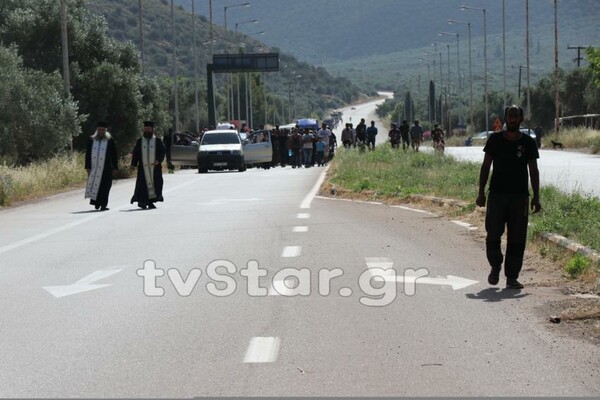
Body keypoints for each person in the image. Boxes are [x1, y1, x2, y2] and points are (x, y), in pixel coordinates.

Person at [476, 105, 541, 289]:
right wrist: (481, 192)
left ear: (521, 119)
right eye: (509, 116)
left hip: (519, 198)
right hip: (497, 195)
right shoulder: (495, 140)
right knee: (493, 234)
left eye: (515, 116)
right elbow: (485, 166)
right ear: (505, 118)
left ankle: (512, 277)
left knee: (517, 239)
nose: (512, 119)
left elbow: (534, 171)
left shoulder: (528, 142)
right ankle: (495, 266)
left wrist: (536, 197)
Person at [130, 121, 166, 210]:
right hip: (143, 168)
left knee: (156, 184)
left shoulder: (157, 141)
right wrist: (133, 165)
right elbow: (136, 154)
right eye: (145, 129)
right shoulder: (140, 141)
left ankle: (151, 202)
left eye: (149, 129)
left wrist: (158, 160)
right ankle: (142, 201)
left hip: (155, 168)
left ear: (152, 130)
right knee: (142, 185)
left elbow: (162, 152)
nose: (147, 131)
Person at [85, 121, 118, 211]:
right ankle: (96, 202)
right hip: (94, 168)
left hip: (106, 168)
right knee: (96, 186)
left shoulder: (110, 140)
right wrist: (87, 167)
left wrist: (115, 167)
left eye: (103, 130)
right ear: (97, 130)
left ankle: (103, 204)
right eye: (100, 130)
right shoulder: (91, 140)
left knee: (106, 187)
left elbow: (114, 155)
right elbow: (88, 154)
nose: (101, 131)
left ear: (105, 131)